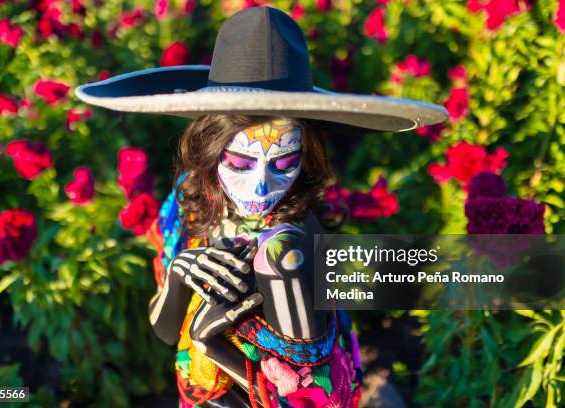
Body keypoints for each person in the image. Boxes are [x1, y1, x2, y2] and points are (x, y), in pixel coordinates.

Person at [75, 6, 447, 407]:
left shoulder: (286, 246)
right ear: (209, 147)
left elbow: (311, 397)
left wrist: (209, 342)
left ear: (306, 156)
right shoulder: (188, 202)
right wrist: (181, 275)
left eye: (286, 163)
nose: (261, 185)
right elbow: (165, 331)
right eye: (239, 162)